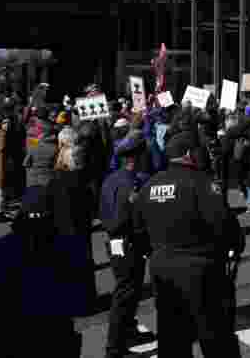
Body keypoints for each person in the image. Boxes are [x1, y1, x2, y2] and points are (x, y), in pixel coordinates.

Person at [132, 132, 244, 358]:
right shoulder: (202, 184)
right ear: (188, 154)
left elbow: (137, 232)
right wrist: (231, 250)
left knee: (173, 337)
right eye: (198, 150)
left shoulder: (149, 187)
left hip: (163, 270)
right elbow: (226, 228)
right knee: (215, 337)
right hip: (202, 270)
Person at [0, 183, 93, 358]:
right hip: (54, 337)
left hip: (7, 336)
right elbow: (83, 297)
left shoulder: (0, 249)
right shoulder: (69, 248)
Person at [100, 133, 151, 358]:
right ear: (135, 157)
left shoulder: (111, 179)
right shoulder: (131, 183)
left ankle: (129, 331)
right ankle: (115, 347)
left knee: (131, 291)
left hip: (115, 243)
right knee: (125, 294)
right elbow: (127, 218)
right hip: (128, 242)